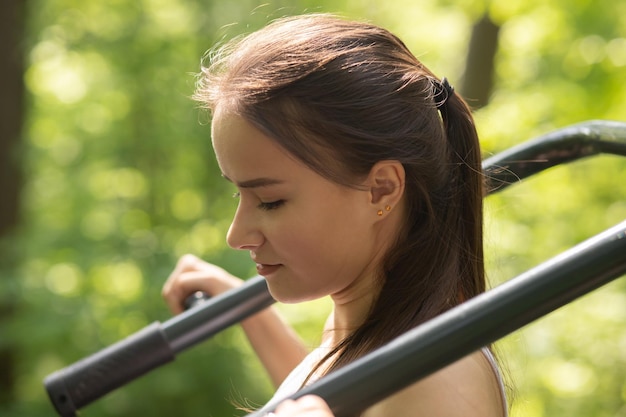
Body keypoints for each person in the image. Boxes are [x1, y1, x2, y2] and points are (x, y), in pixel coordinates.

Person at [162, 13, 508, 417]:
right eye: (239, 193)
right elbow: (326, 392)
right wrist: (252, 319)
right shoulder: (363, 330)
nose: (237, 236)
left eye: (270, 201)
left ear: (381, 189)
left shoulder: (437, 377)